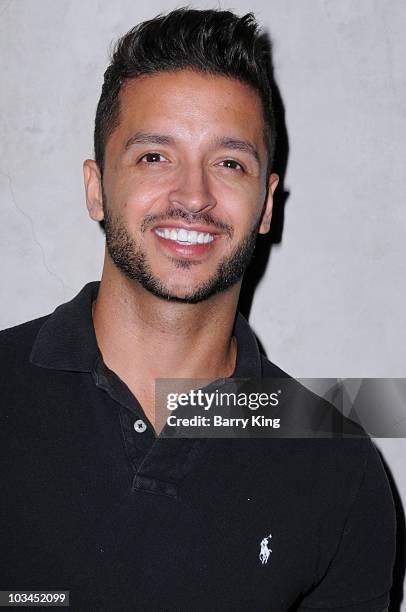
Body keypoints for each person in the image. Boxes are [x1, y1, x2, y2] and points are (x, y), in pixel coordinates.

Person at [0, 8, 396, 611]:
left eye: (229, 162)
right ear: (95, 187)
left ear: (266, 205)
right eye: (154, 156)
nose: (193, 195)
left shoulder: (340, 469)